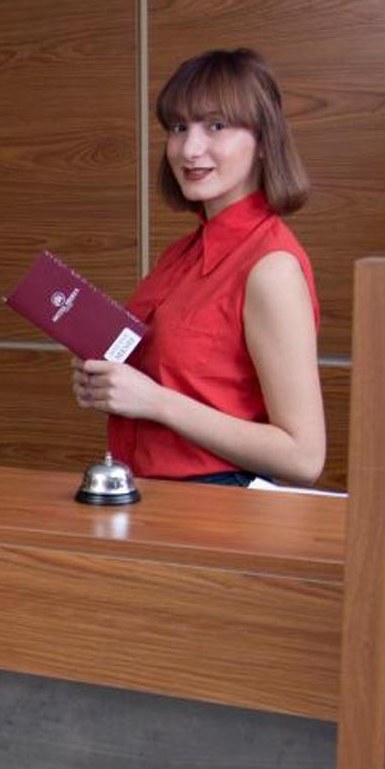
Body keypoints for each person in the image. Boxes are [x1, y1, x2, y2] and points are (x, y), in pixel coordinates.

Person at [71, 48, 324, 487]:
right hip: (149, 493)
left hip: (217, 508)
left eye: (217, 126)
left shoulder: (271, 268)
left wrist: (155, 401)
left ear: (264, 141)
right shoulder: (178, 257)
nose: (189, 149)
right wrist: (108, 382)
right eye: (179, 127)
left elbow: (303, 457)